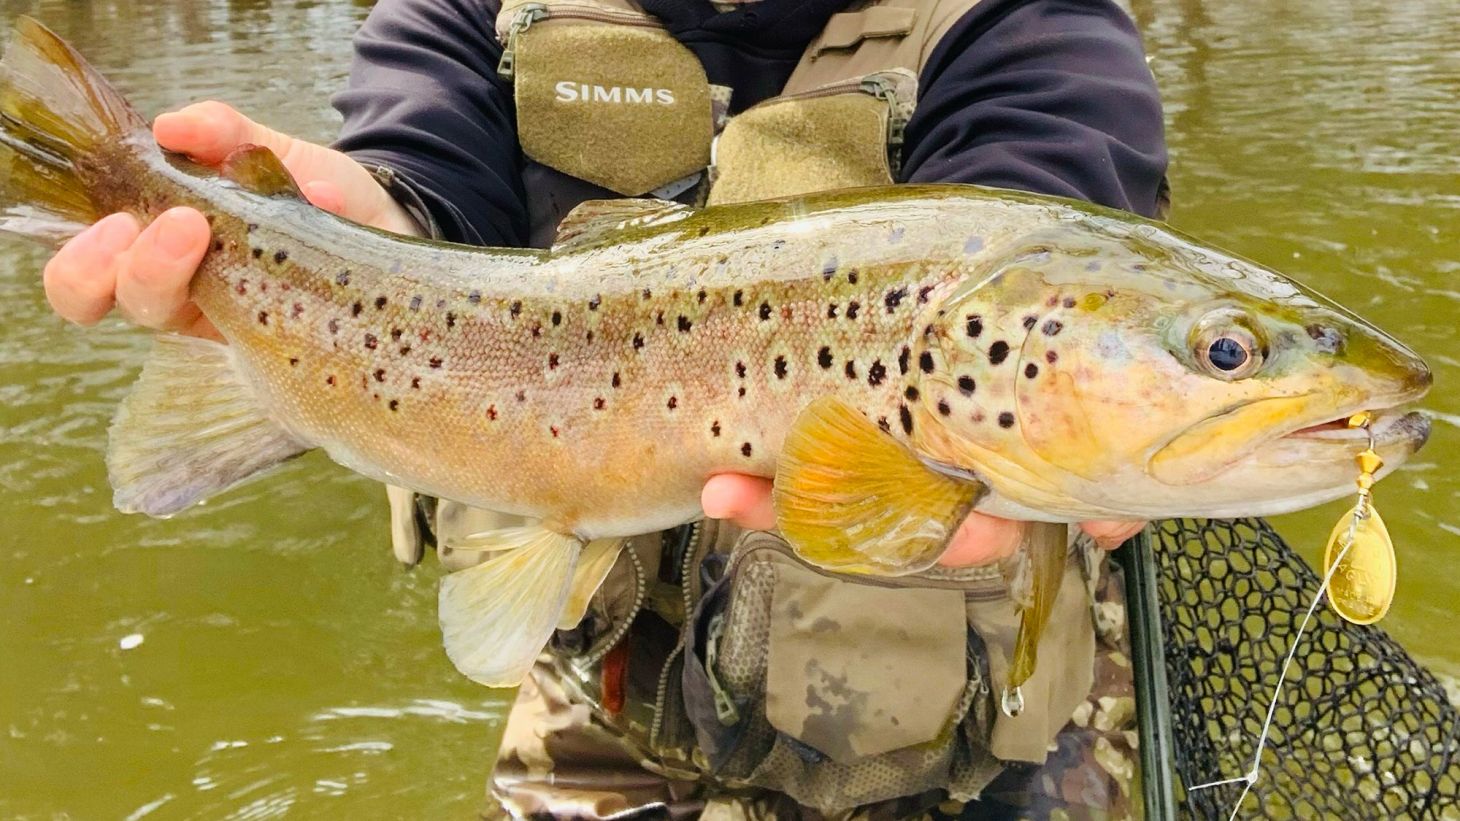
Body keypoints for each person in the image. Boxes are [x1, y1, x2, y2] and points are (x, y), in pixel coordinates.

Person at [42, 0, 1163, 815]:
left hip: (977, 731)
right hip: (604, 682)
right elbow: (412, 190)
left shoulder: (1028, 22)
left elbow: (1046, 233)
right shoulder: (471, 13)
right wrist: (336, 241)